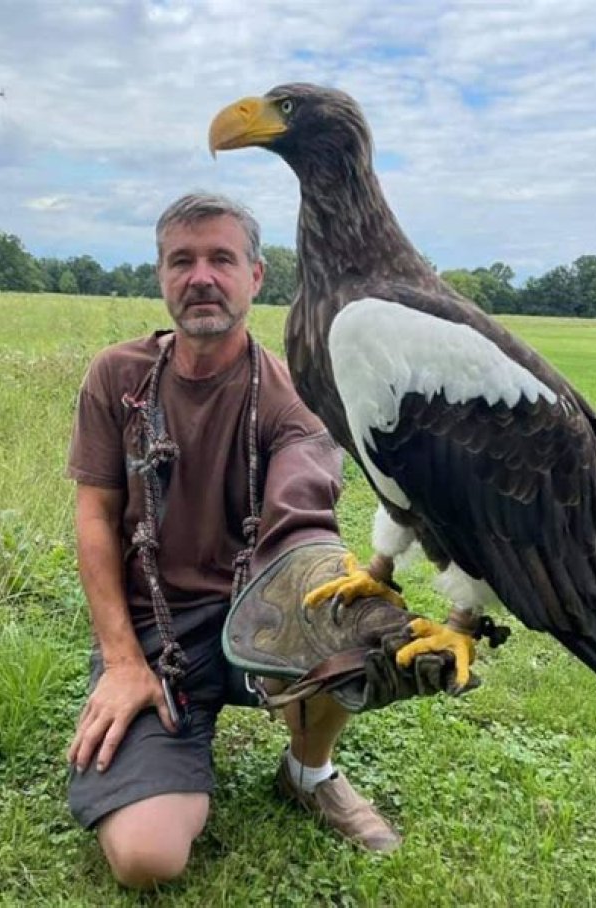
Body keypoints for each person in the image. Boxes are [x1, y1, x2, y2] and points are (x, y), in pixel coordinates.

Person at [66, 192, 401, 890]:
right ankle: (167, 747)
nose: (201, 278)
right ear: (160, 275)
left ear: (256, 276)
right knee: (147, 858)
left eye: (221, 259)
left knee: (341, 632)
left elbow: (301, 516)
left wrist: (344, 608)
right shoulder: (118, 378)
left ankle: (307, 771)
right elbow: (95, 517)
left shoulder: (295, 395)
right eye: (181, 261)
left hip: (260, 612)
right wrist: (123, 661)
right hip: (156, 632)